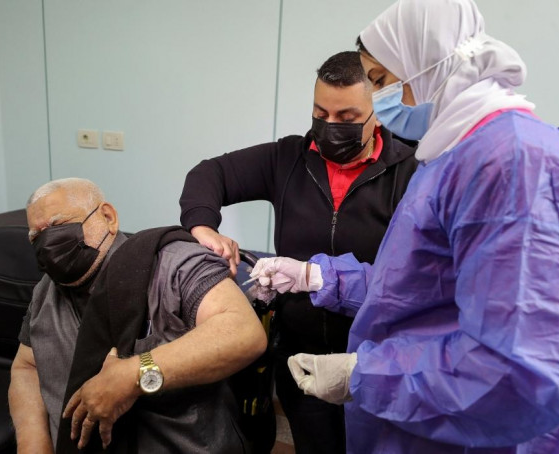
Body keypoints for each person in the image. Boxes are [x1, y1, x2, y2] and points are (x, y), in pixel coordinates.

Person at [249, 0, 559, 452]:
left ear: (429, 65)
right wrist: (316, 276)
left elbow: (519, 371)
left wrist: (365, 375)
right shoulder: (455, 154)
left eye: (380, 80)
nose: (381, 101)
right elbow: (422, 287)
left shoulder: (510, 164)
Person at [179, 51, 418, 452]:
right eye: (321, 114)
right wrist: (203, 227)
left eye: (346, 117)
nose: (330, 126)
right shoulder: (287, 158)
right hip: (300, 360)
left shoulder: (411, 172)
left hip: (377, 363)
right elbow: (210, 173)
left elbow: (410, 282)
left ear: (378, 113)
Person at [8, 177, 267, 453]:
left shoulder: (171, 262)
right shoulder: (46, 291)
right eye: (36, 237)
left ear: (108, 217)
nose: (47, 243)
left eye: (58, 225)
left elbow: (242, 330)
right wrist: (33, 444)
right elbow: (27, 367)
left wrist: (134, 374)